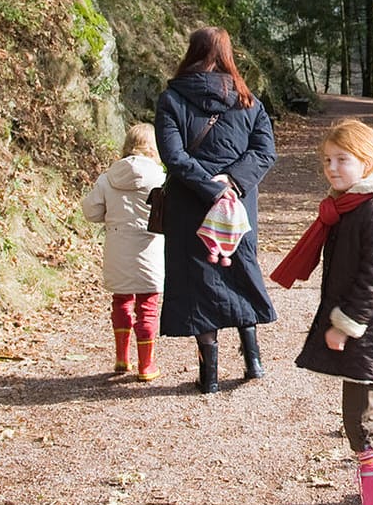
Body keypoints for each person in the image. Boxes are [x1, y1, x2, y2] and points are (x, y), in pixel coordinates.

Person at [271, 118, 373, 505]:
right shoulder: (354, 205)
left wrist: (346, 324)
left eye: (343, 160)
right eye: (327, 160)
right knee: (372, 410)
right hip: (369, 330)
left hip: (370, 331)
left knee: (360, 418)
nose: (333, 168)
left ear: (369, 161)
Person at [154, 27, 277, 393]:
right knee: (241, 271)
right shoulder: (248, 101)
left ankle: (208, 376)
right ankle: (253, 360)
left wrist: (210, 187)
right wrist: (232, 184)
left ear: (190, 52)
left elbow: (173, 156)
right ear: (228, 55)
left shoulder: (172, 98)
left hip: (190, 204)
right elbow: (264, 152)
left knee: (198, 283)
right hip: (238, 205)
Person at [79, 124, 168, 381]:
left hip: (117, 246)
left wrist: (113, 214)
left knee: (121, 300)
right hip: (149, 247)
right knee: (147, 306)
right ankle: (146, 366)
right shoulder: (160, 177)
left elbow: (91, 211)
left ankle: (121, 358)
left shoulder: (108, 177)